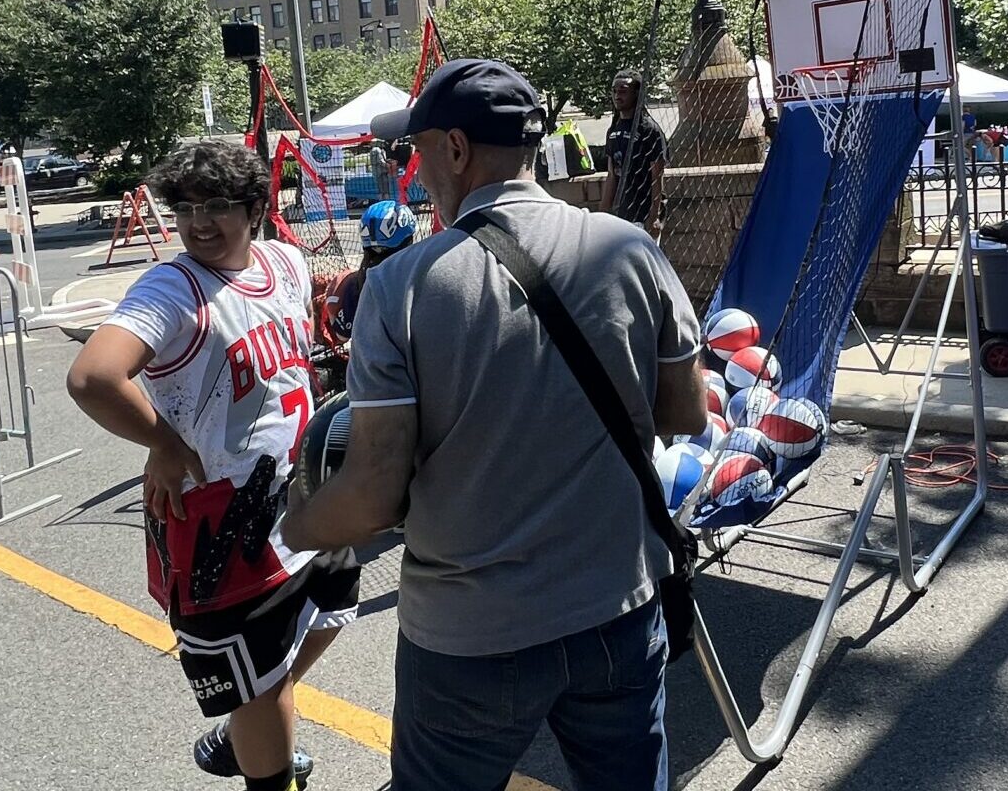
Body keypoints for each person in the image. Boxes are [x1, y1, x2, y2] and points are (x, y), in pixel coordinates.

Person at [285, 58, 707, 791]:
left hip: (468, 638)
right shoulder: (629, 248)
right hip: (618, 609)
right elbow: (686, 413)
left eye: (417, 151)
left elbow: (373, 494)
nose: (416, 171)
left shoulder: (399, 288)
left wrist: (293, 527)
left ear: (454, 148)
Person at [67, 142, 353, 791]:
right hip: (224, 521)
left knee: (333, 612)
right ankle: (265, 763)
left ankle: (246, 730)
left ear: (255, 209)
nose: (199, 222)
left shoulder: (282, 259)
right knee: (258, 682)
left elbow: (291, 329)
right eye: (187, 207)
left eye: (218, 205)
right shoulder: (173, 286)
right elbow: (92, 376)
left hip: (302, 491)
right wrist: (163, 443)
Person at [312, 200, 418, 395]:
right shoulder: (418, 280)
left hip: (368, 383)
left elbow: (342, 334)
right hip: (410, 382)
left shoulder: (358, 283)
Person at [601, 71, 667, 233]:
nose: (617, 96)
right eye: (614, 91)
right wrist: (602, 214)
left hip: (643, 212)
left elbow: (657, 176)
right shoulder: (613, 130)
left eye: (623, 91)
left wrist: (654, 216)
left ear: (636, 93)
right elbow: (611, 174)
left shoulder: (649, 129)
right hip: (621, 213)